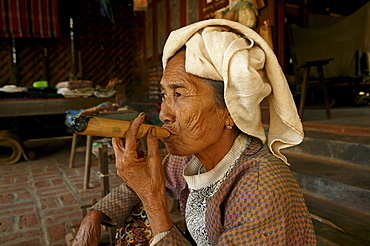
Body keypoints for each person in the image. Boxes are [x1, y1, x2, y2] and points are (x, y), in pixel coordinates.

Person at [72, 19, 317, 245]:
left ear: (230, 112)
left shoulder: (260, 186)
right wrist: (94, 217)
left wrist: (154, 202)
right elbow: (145, 182)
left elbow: (150, 192)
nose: (164, 114)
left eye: (179, 94)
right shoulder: (190, 159)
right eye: (164, 95)